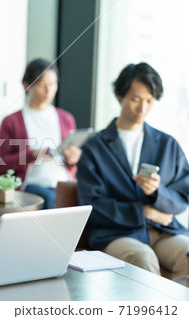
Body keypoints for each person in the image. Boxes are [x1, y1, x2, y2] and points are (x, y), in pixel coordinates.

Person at [77, 62, 189, 277]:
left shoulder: (168, 144)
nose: (142, 108)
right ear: (120, 96)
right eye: (136, 99)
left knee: (187, 254)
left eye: (149, 100)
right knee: (142, 257)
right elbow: (91, 204)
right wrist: (143, 213)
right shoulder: (94, 147)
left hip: (163, 231)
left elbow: (183, 195)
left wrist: (157, 193)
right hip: (117, 233)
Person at [0, 58, 81, 209]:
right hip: (32, 184)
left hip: (64, 182)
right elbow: (1, 163)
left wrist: (73, 159)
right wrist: (32, 155)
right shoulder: (11, 121)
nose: (49, 91)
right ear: (27, 86)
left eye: (53, 84)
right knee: (50, 198)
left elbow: (74, 167)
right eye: (42, 85)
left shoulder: (66, 118)